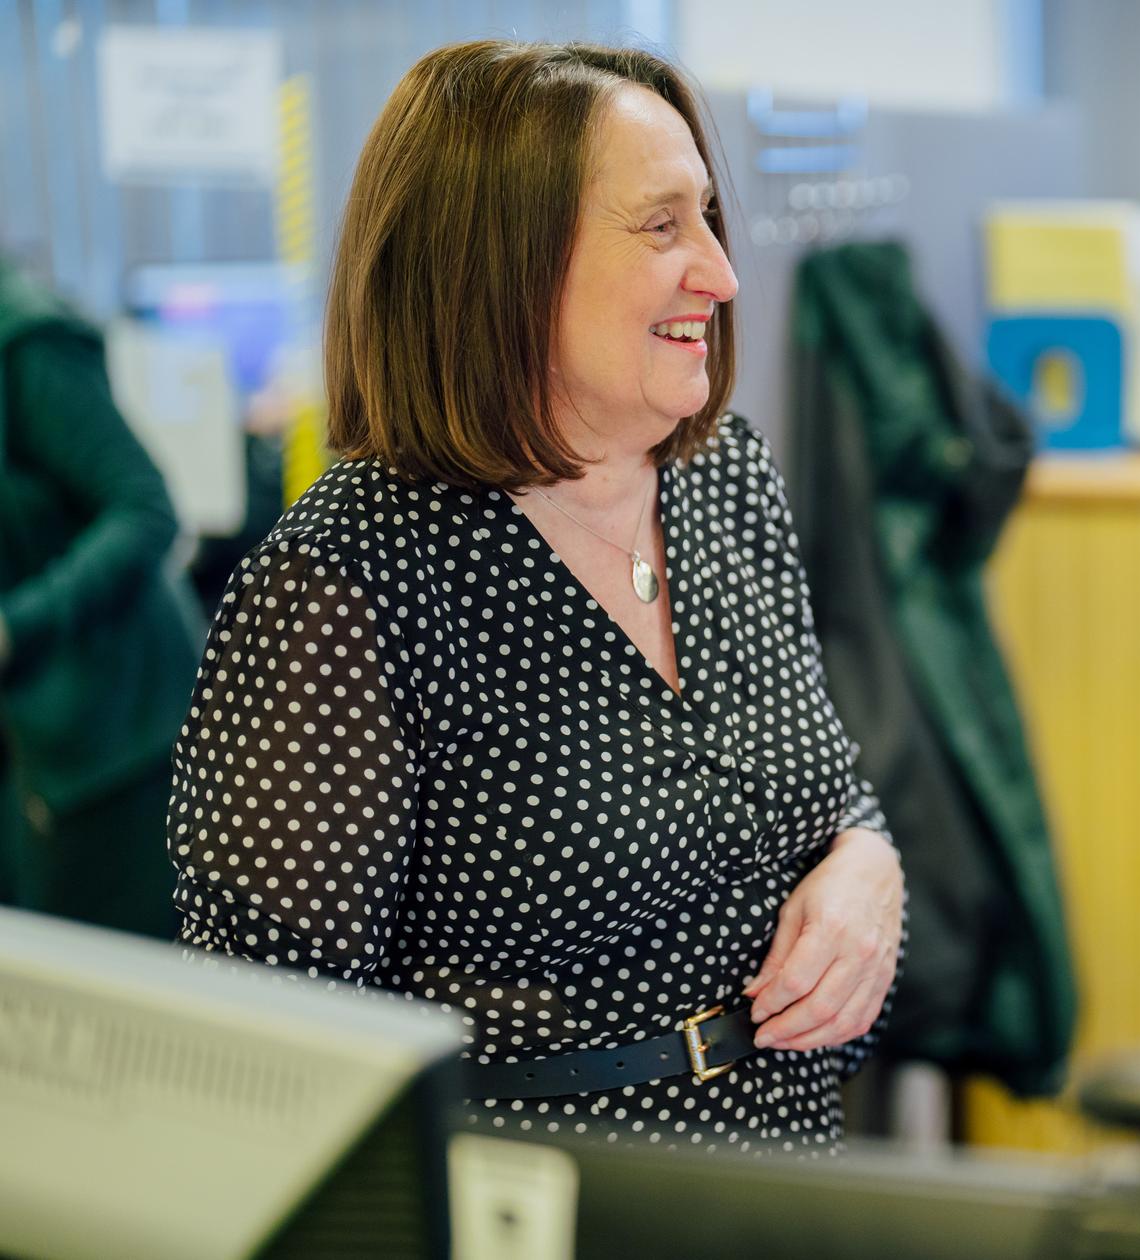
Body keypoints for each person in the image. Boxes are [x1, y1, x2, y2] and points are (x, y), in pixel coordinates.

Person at [168, 41, 904, 1155]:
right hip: (540, 1196)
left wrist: (868, 865)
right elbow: (266, 1067)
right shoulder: (346, 582)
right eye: (661, 227)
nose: (720, 271)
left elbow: (823, 790)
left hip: (789, 1176)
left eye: (707, 217)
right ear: (498, 264)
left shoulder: (725, 478)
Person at [0, 256, 200, 939]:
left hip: (119, 741)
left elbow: (144, 507)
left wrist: (15, 626)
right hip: (33, 748)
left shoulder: (27, 344)